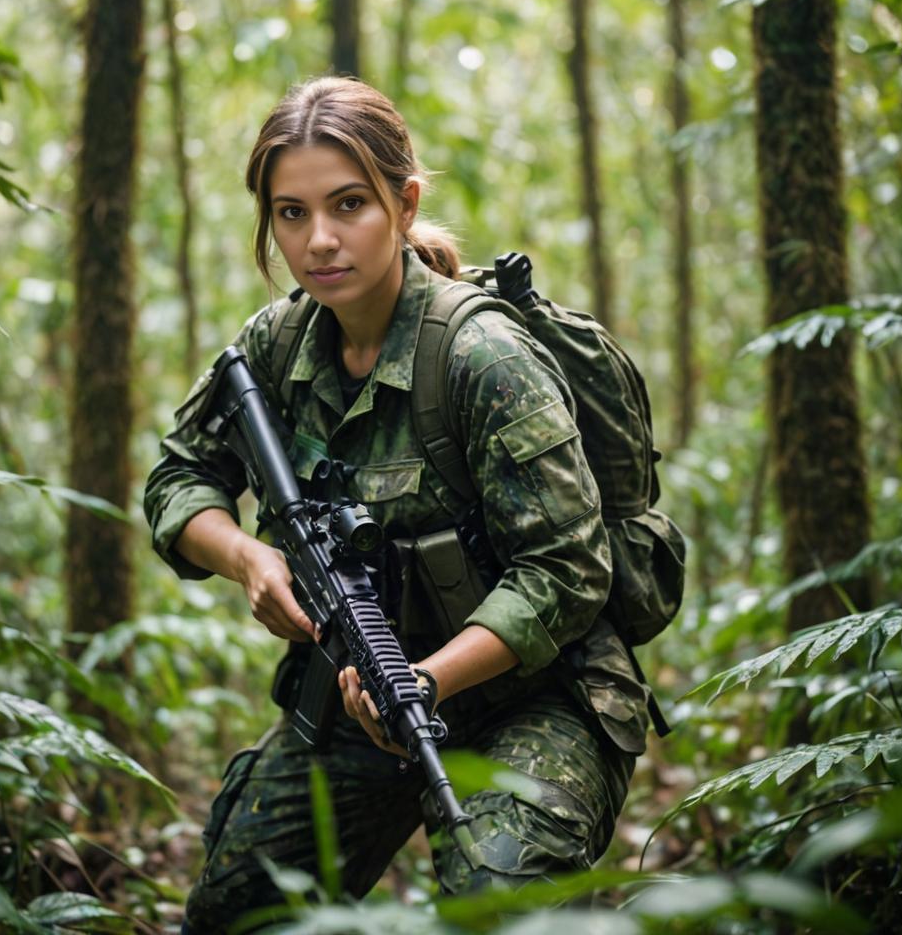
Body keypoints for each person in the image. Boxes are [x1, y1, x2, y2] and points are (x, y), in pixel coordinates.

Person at [144, 76, 650, 931]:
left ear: (405, 203)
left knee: (499, 894)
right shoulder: (277, 342)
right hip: (353, 691)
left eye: (350, 205)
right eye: (291, 213)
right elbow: (177, 476)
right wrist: (247, 557)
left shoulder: (482, 356)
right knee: (237, 911)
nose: (321, 240)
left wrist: (426, 680)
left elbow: (567, 571)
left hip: (531, 697)